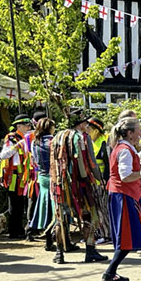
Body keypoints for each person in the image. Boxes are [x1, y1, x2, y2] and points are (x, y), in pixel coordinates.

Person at [101, 117, 141, 281]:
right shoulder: (125, 150)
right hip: (125, 195)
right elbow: (126, 176)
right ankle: (110, 272)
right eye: (138, 130)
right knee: (128, 236)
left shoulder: (124, 147)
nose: (140, 132)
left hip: (125, 195)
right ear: (129, 133)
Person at [50, 111, 108, 264]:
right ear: (81, 124)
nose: (87, 126)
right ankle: (90, 250)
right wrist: (99, 179)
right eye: (86, 123)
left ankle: (59, 253)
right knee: (88, 214)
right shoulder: (83, 137)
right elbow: (92, 162)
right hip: (81, 184)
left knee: (60, 217)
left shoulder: (57, 137)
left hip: (60, 184)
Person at [0, 114, 32, 239]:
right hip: (13, 176)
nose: (29, 127)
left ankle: (21, 229)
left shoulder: (28, 137)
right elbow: (4, 155)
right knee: (14, 204)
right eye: (26, 125)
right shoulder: (12, 137)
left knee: (22, 204)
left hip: (25, 175)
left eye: (29, 125)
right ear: (19, 126)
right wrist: (18, 145)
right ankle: (13, 231)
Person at [29, 118, 56, 251]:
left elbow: (34, 160)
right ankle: (61, 240)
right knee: (56, 209)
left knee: (45, 208)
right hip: (54, 177)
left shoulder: (35, 142)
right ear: (50, 128)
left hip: (42, 177)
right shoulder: (54, 142)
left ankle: (48, 239)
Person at [88, 117, 110, 183]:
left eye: (88, 128)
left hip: (102, 183)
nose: (86, 130)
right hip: (93, 182)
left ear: (96, 131)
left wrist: (105, 180)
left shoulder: (104, 143)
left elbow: (108, 164)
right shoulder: (90, 142)